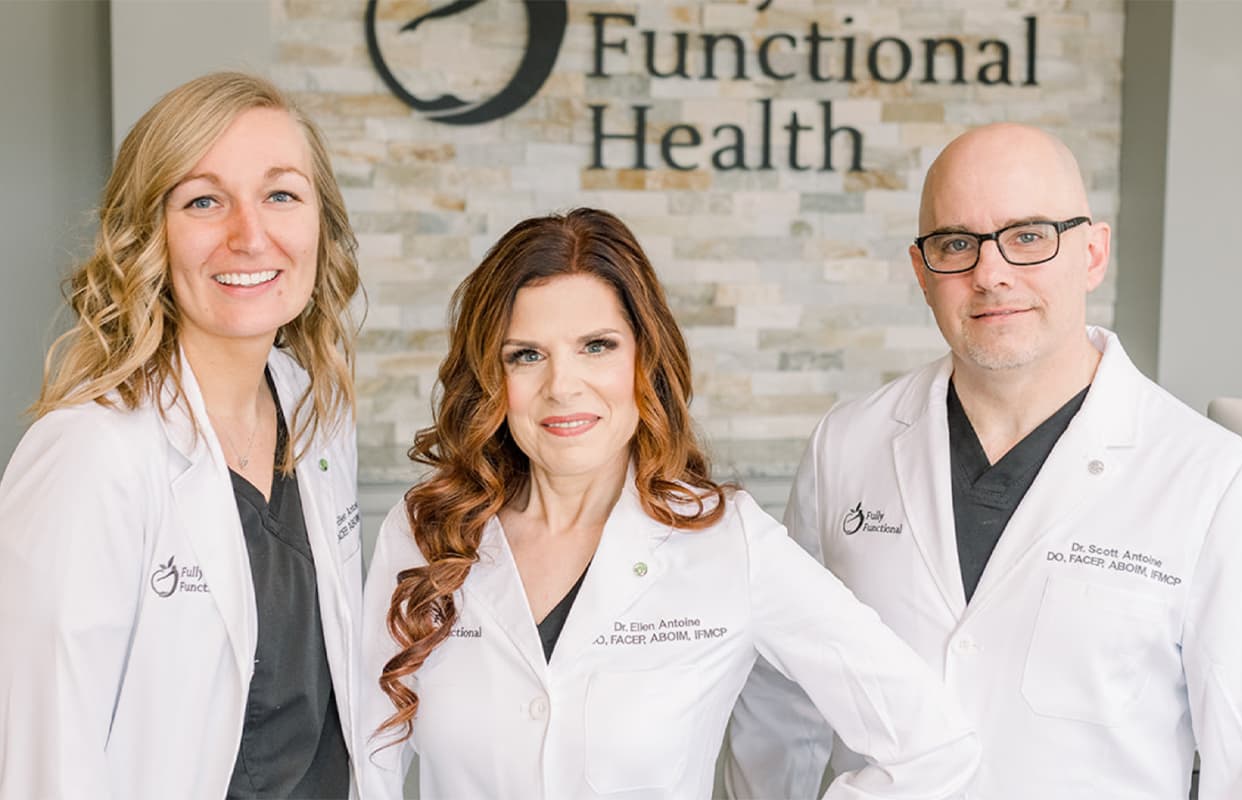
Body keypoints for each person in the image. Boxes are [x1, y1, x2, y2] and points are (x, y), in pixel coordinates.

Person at [726, 123, 1242, 798]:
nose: (990, 274)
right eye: (956, 243)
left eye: (1027, 236)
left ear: (1093, 253)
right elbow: (784, 707)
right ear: (922, 271)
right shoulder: (846, 445)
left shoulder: (1211, 478)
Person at [359, 208, 980, 799]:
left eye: (596, 346)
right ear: (493, 379)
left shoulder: (725, 540)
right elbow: (369, 760)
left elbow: (930, 744)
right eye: (526, 355)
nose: (562, 385)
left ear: (644, 359)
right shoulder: (424, 535)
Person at [0, 72, 364, 799]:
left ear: (320, 223)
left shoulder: (317, 412)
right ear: (149, 235)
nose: (249, 234)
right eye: (204, 201)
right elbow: (47, 761)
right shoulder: (91, 453)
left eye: (281, 194)